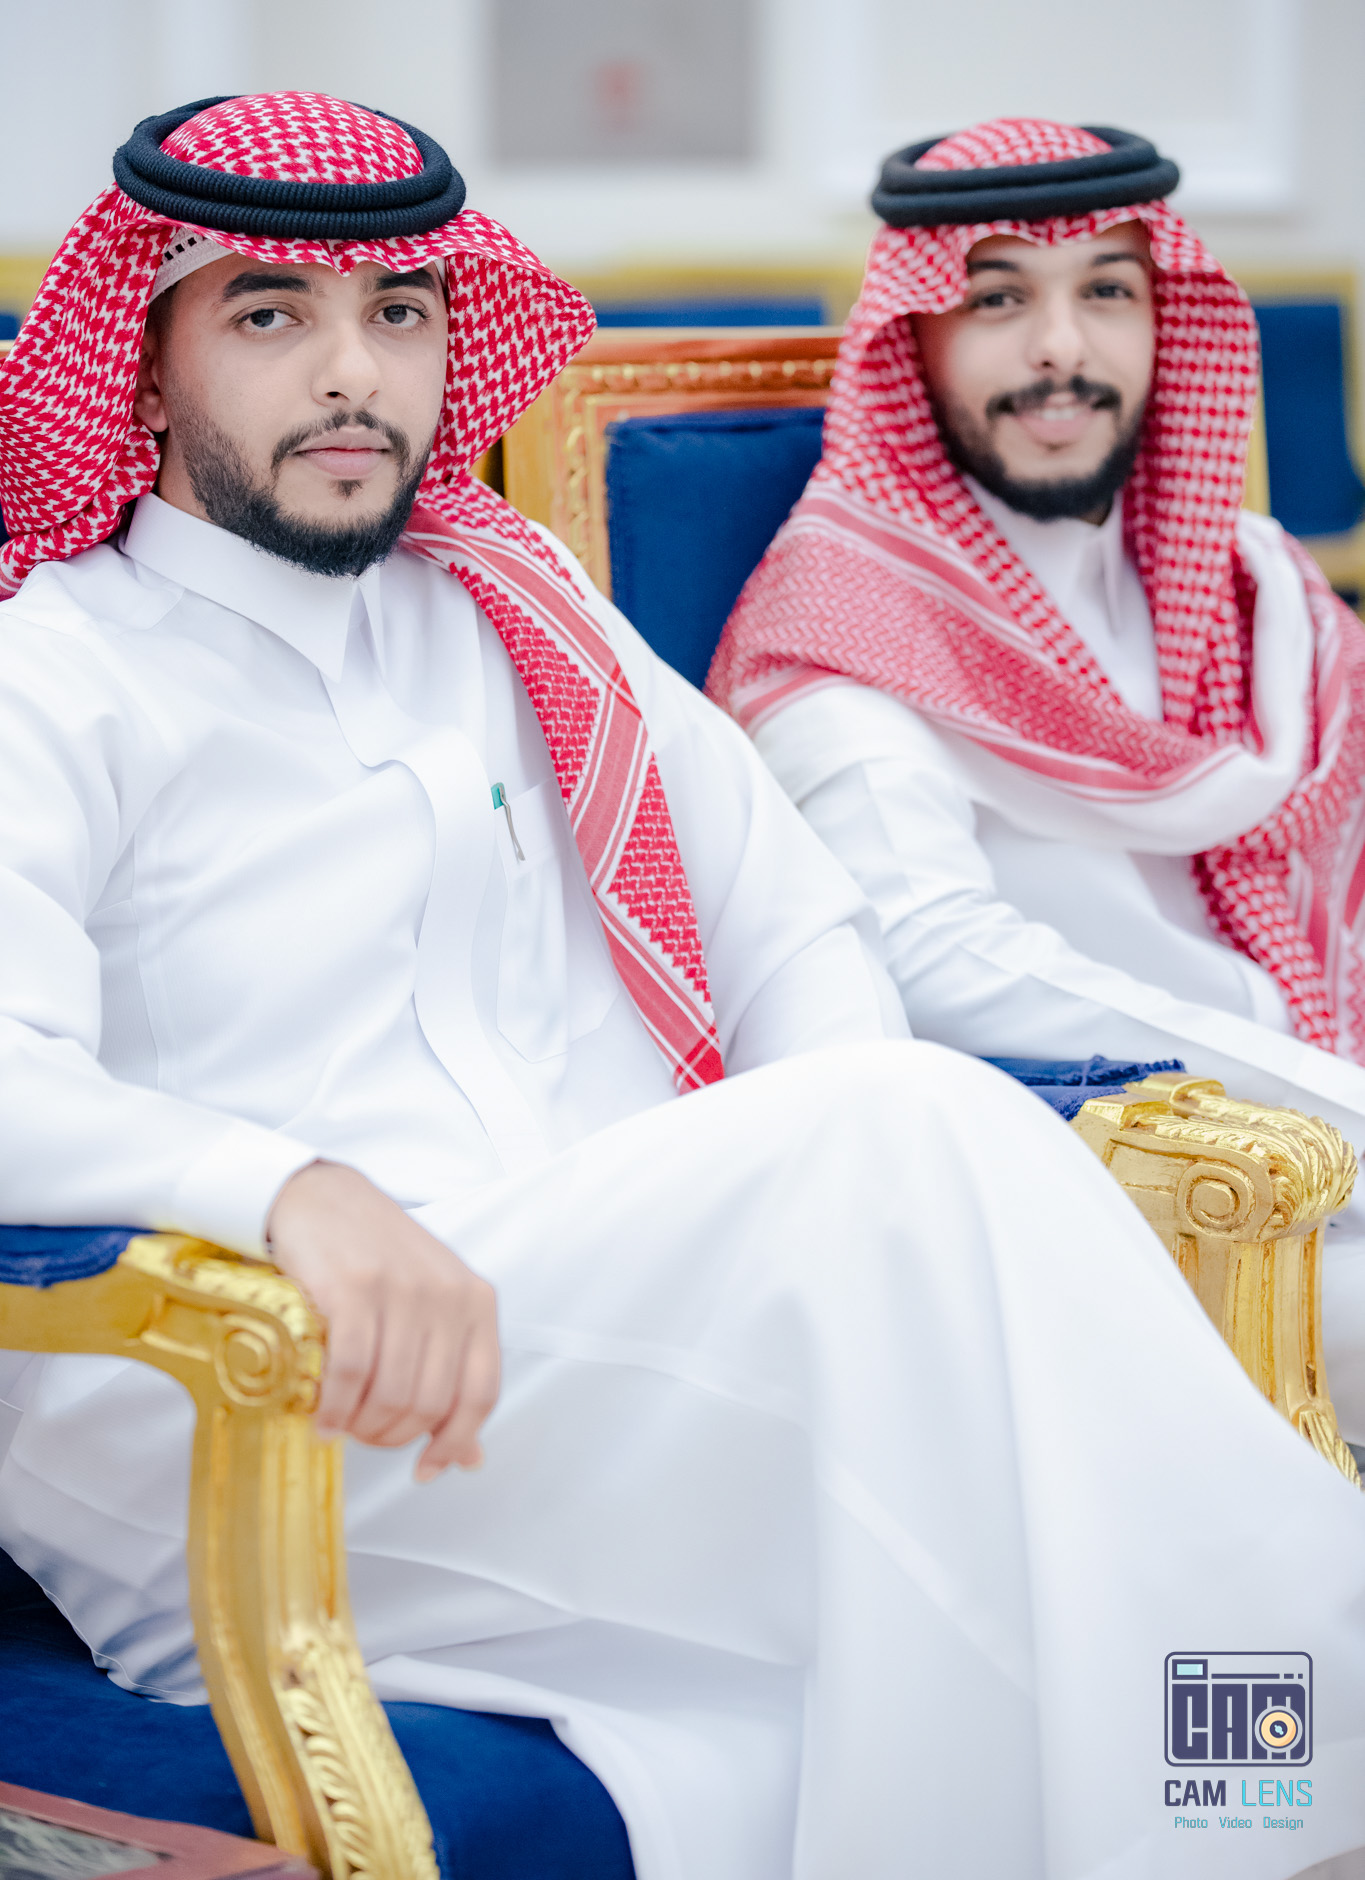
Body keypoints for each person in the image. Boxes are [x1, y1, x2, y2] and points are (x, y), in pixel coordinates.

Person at [2, 95, 1365, 1880]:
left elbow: (793, 929)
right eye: (271, 316)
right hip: (261, 1395)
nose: (352, 373)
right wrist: (283, 1189)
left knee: (973, 1586)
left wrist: (859, 1233)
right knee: (931, 1217)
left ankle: (1274, 1763)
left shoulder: (511, 607)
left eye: (399, 314)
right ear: (145, 362)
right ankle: (1306, 1734)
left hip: (589, 1334)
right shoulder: (59, 675)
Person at [710, 117, 1365, 1433]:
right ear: (916, 338)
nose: (1060, 348)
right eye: (998, 299)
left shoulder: (1252, 587)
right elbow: (932, 960)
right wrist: (1334, 1108)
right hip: (1110, 1194)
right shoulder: (847, 615)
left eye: (1106, 292)